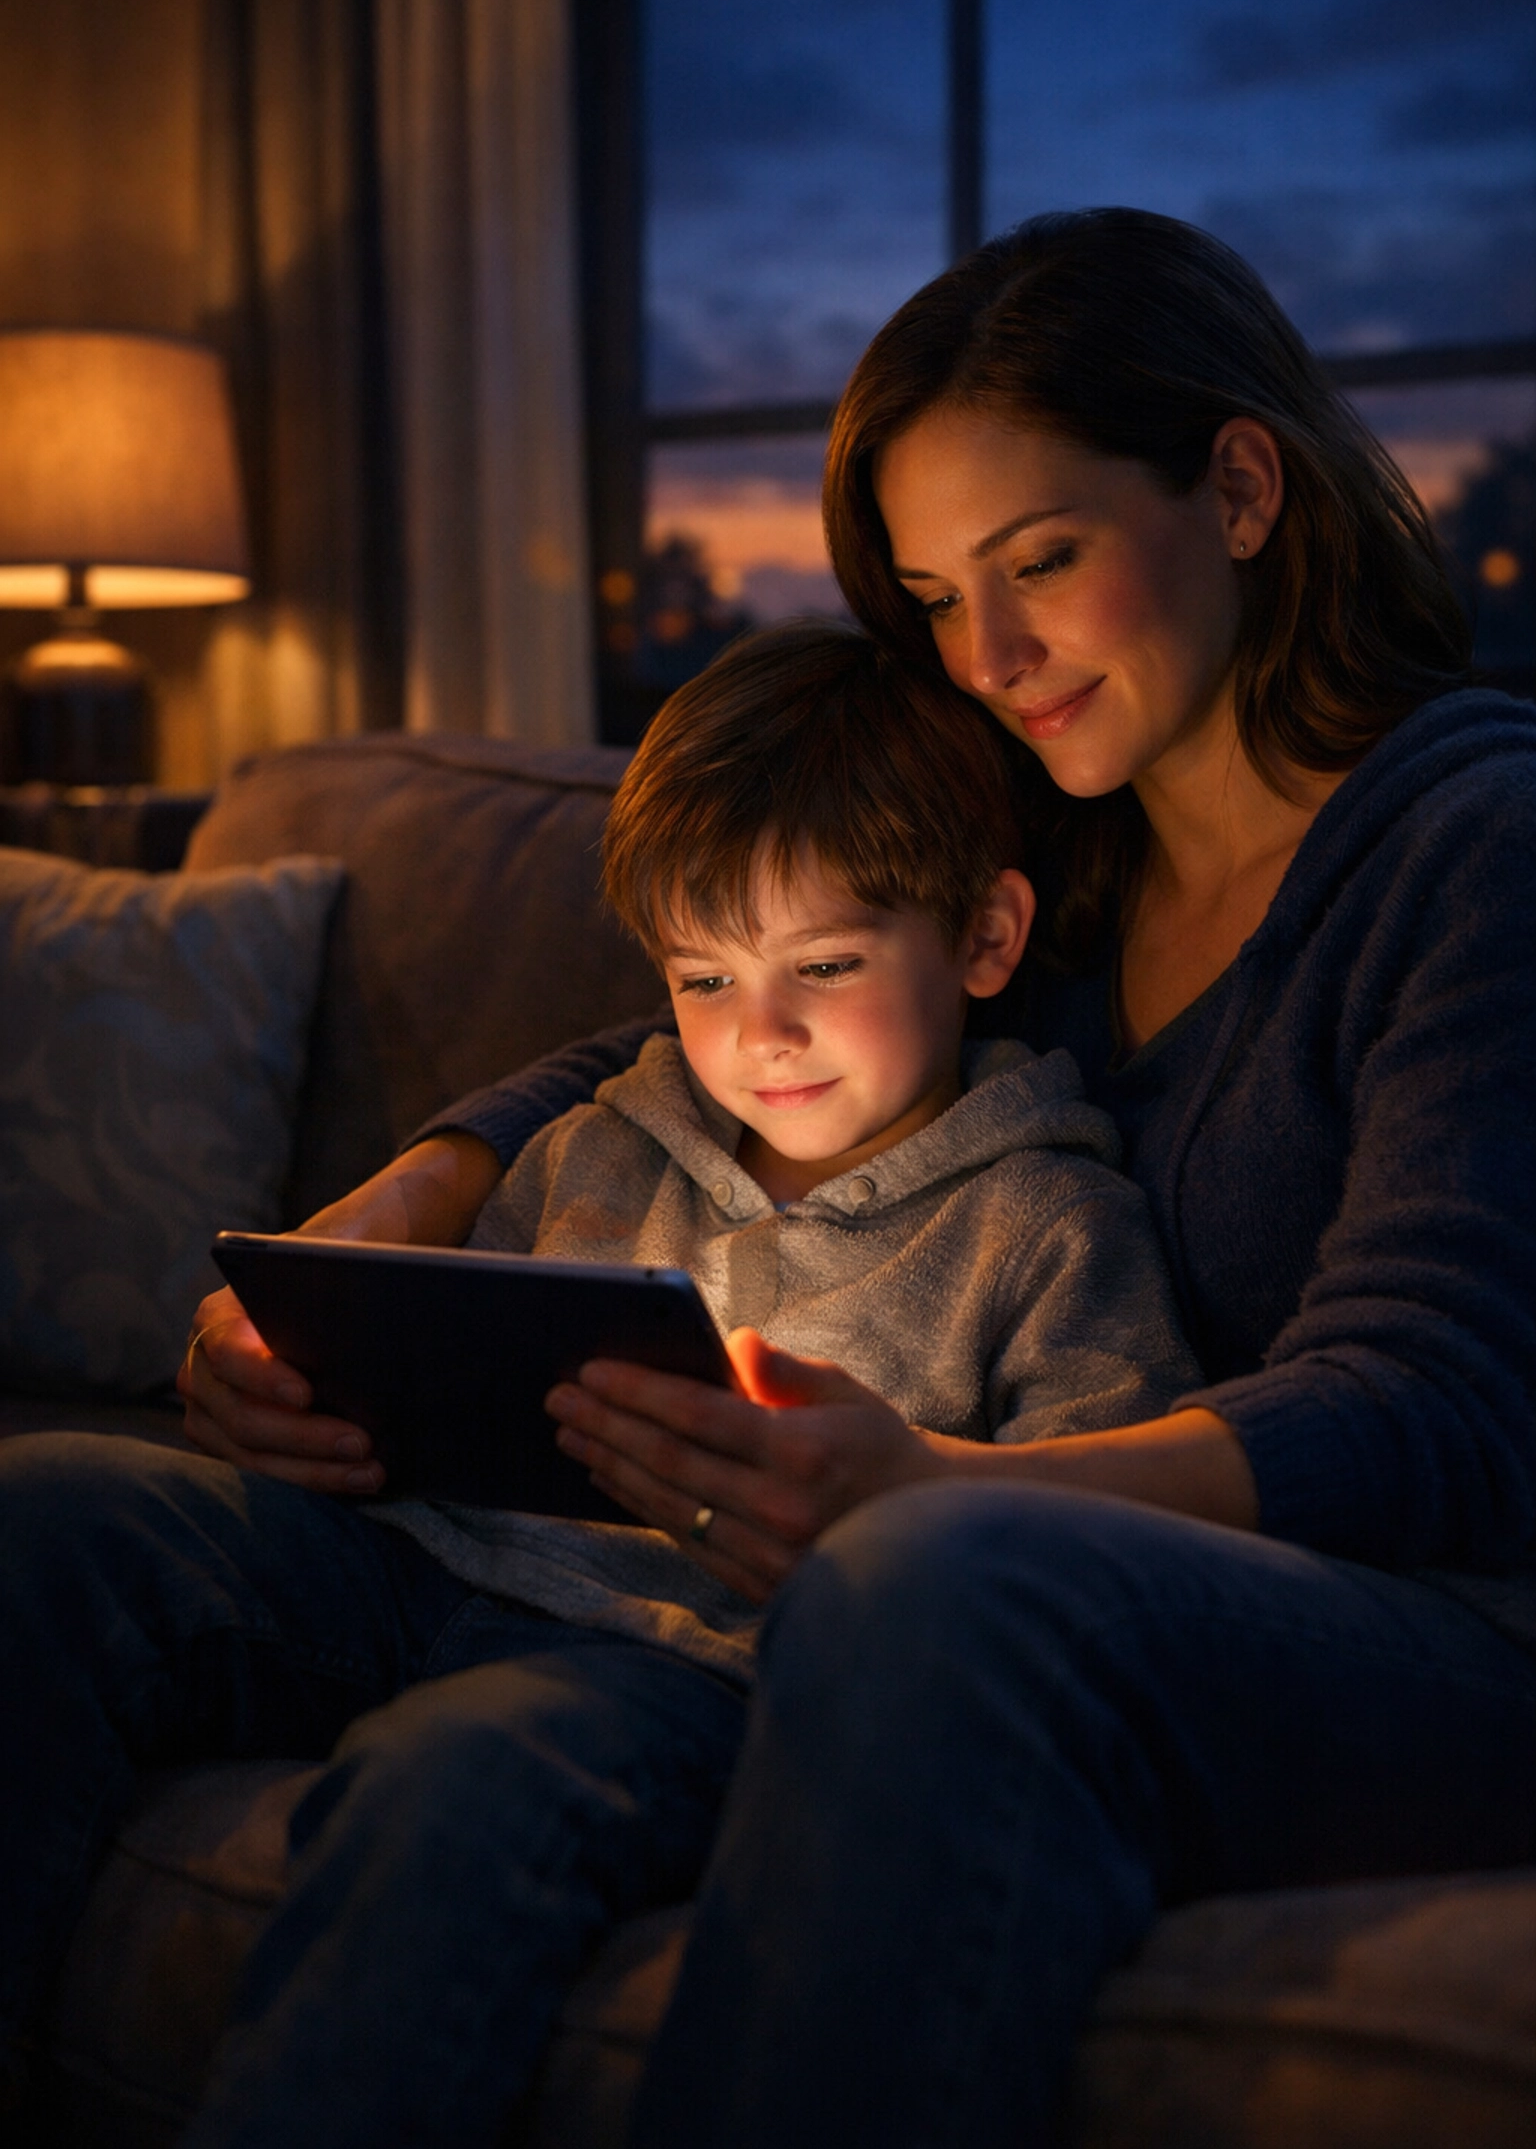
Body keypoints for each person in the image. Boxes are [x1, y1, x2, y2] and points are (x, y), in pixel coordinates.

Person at [180, 210, 1536, 2145]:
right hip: (1029, 1554)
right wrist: (408, 1199)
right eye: (932, 599)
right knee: (76, 1530)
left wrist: (947, 1491)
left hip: (1439, 1631)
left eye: (1040, 562)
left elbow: (1439, 1409)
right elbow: (681, 1040)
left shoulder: (1476, 844)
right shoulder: (1064, 871)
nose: (988, 660)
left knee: (928, 1584)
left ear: (1242, 487)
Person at [0, 620, 1199, 2148]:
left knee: (456, 1774)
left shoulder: (1047, 1225)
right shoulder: (602, 1136)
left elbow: (1084, 1560)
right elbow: (451, 1343)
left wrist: (876, 1498)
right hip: (416, 1557)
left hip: (681, 1663)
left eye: (825, 965)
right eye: (704, 976)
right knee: (50, 1517)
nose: (761, 1036)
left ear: (983, 937)